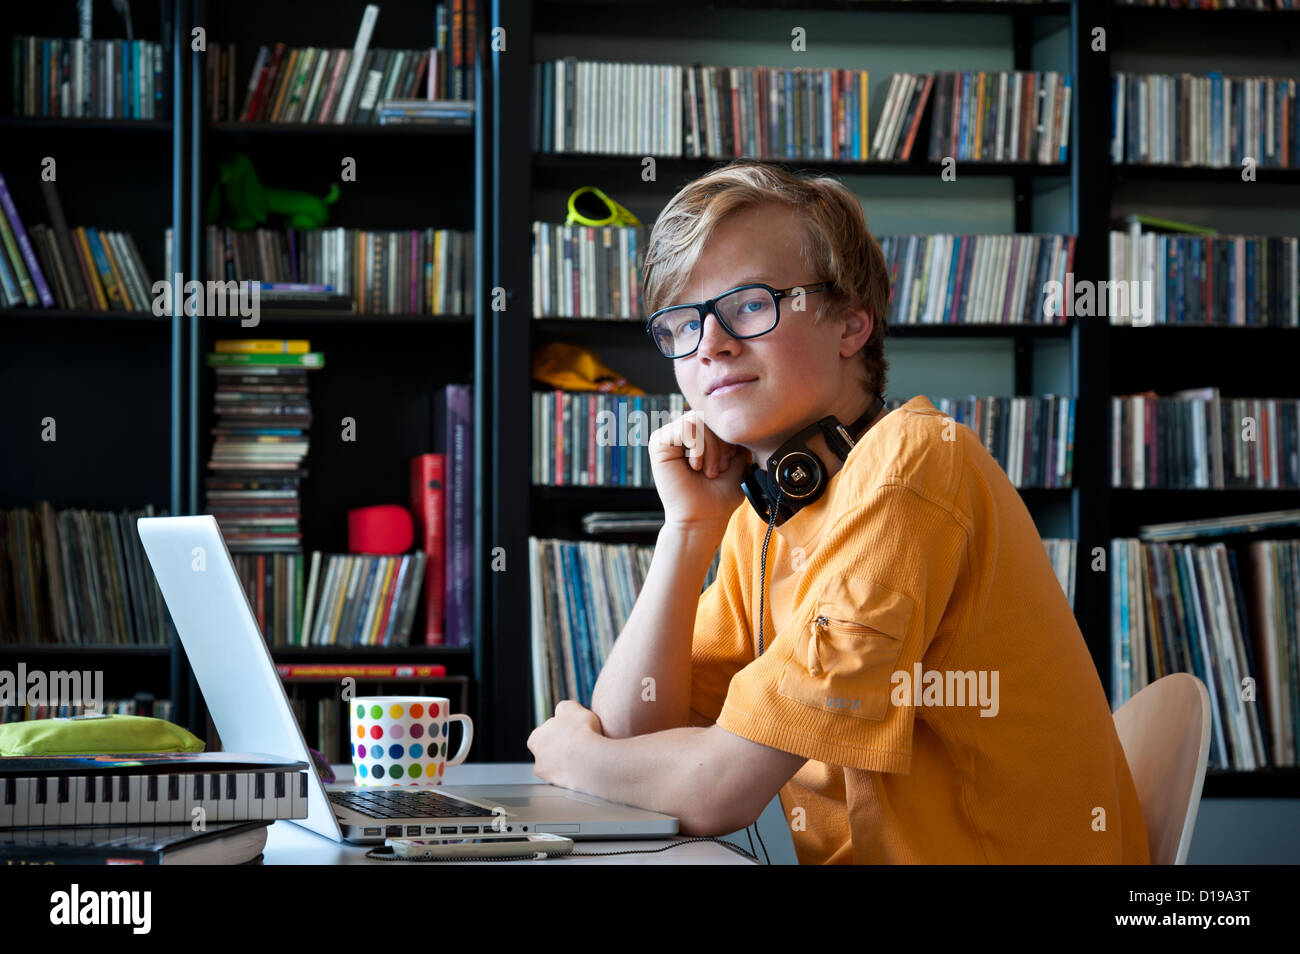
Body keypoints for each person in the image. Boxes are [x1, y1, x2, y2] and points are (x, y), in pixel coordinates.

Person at [527, 160, 1150, 864]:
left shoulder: (911, 466)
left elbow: (717, 793)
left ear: (852, 322)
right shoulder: (767, 516)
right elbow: (633, 736)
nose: (712, 345)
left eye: (750, 304)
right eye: (682, 323)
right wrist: (689, 530)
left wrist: (571, 753)